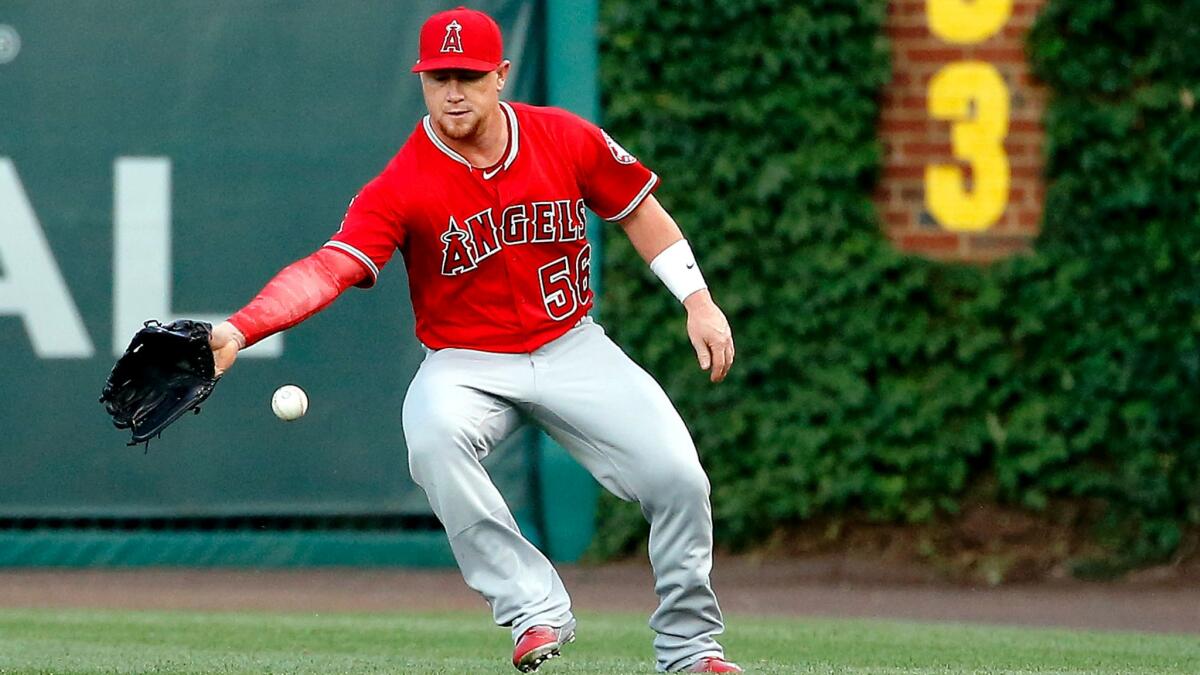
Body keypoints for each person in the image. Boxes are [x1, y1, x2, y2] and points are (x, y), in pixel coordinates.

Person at [208, 7, 741, 673]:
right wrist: (240, 327)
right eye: (438, 77)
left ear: (500, 76)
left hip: (572, 344)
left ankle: (691, 650)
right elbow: (328, 267)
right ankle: (532, 607)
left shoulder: (563, 138)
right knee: (431, 433)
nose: (453, 90)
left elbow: (638, 209)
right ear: (423, 83)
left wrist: (698, 300)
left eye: (467, 74)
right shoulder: (404, 181)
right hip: (466, 361)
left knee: (679, 478)